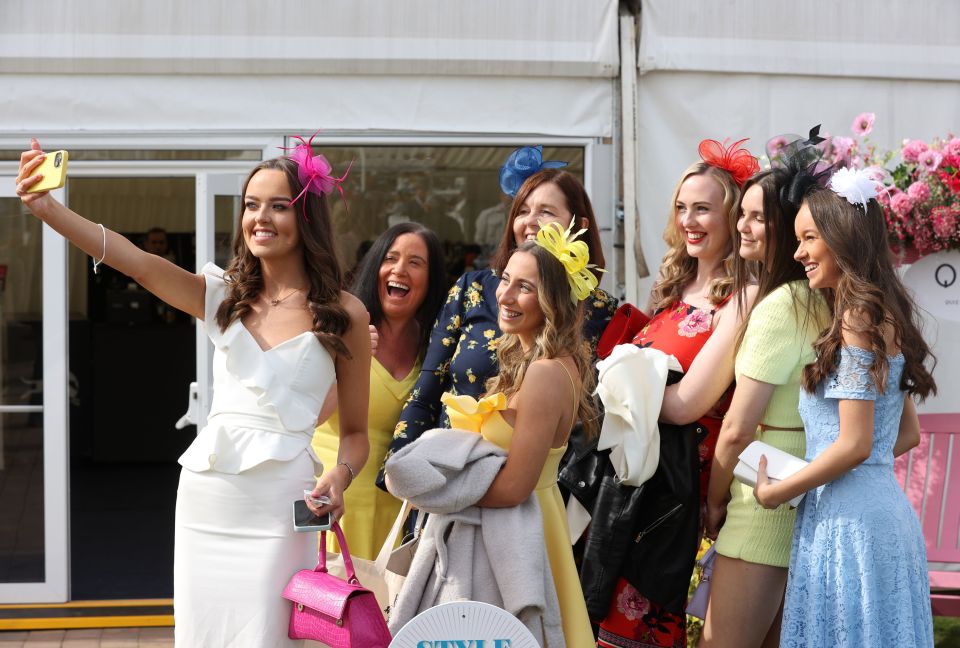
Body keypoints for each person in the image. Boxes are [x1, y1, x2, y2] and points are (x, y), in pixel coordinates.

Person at [15, 137, 371, 647]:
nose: (260, 218)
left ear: (307, 218)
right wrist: (49, 210)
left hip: (281, 505)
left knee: (266, 636)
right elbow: (134, 261)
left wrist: (340, 474)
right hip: (208, 500)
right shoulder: (222, 295)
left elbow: (355, 434)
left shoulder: (345, 313)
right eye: (251, 205)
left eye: (277, 205)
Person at [753, 171, 935, 647]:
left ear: (843, 238)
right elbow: (904, 432)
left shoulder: (857, 318)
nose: (798, 253)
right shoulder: (884, 312)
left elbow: (854, 444)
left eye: (809, 238)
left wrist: (780, 491)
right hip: (875, 516)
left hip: (851, 526)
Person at [593, 138, 759, 648]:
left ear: (734, 218)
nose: (689, 220)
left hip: (687, 490)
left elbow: (689, 402)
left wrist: (612, 386)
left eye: (703, 209)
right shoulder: (673, 286)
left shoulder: (743, 295)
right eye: (682, 208)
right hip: (637, 481)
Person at [378, 145, 617, 486]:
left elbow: (600, 422)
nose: (530, 222)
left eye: (546, 211)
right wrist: (400, 475)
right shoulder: (473, 289)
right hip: (443, 483)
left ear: (577, 226)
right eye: (522, 210)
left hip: (539, 493)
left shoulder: (602, 311)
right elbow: (427, 392)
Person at [413, 224, 599, 643]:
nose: (506, 295)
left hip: (521, 537)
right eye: (505, 279)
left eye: (525, 288)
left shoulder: (546, 372)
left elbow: (516, 486)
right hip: (515, 529)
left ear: (552, 300)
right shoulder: (538, 360)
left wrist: (433, 489)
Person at [698, 133, 830, 648]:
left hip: (763, 495)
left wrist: (713, 504)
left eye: (757, 216)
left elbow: (735, 430)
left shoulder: (781, 307)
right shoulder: (824, 297)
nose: (741, 226)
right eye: (742, 213)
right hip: (810, 490)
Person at [312, 222, 446, 560]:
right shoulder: (340, 325)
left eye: (416, 263)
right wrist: (350, 359)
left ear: (430, 280)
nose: (400, 269)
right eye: (391, 258)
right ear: (376, 268)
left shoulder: (438, 346)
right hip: (335, 499)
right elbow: (310, 416)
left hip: (402, 513)